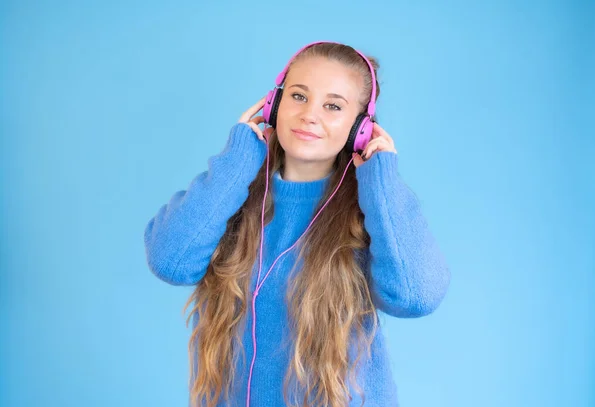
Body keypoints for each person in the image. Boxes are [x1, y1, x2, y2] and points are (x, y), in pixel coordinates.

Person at [143, 41, 451, 407]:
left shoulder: (373, 212)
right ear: (273, 105)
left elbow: (416, 297)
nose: (309, 115)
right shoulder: (230, 193)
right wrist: (238, 160)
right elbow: (170, 262)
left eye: (333, 106)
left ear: (360, 129)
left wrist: (381, 181)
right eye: (299, 96)